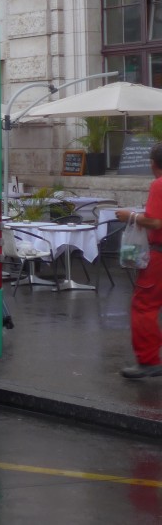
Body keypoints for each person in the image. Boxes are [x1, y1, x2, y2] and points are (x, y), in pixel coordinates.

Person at [116, 141, 162, 378]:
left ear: (153, 164)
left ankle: (148, 360)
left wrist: (130, 216)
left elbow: (156, 222)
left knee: (144, 305)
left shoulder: (159, 184)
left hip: (159, 256)